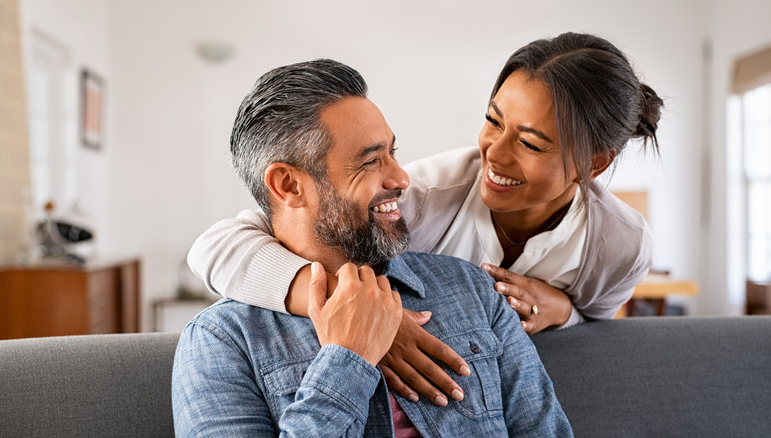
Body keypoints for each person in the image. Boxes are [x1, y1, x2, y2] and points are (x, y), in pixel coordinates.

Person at [187, 32, 663, 404]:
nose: (494, 154)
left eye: (531, 143)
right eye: (493, 121)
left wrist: (565, 312)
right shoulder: (423, 196)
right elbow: (217, 247)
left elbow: (597, 328)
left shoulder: (621, 245)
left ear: (594, 164)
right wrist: (362, 314)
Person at [171, 58, 572, 437]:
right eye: (369, 162)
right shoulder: (221, 341)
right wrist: (347, 359)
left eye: (392, 153)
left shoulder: (473, 290)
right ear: (288, 185)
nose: (401, 178)